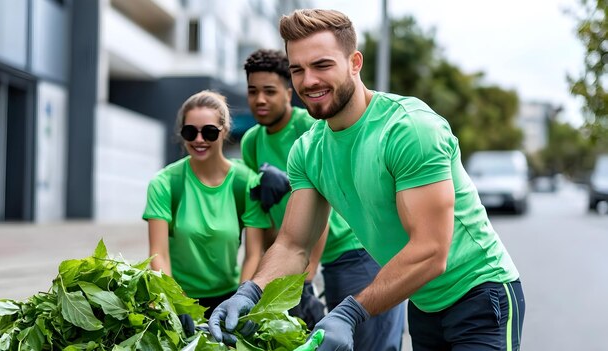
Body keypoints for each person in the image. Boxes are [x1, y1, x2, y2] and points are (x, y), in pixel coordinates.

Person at [209, 9, 526, 351]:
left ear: (355, 62)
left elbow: (432, 251)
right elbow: (293, 244)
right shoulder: (308, 150)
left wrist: (349, 312)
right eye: (297, 69)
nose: (308, 80)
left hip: (481, 293)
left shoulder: (409, 129)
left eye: (322, 65)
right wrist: (250, 292)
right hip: (424, 304)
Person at [241, 48, 405, 349]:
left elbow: (321, 204)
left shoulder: (311, 127)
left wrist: (306, 276)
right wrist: (260, 283)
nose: (260, 100)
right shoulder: (251, 142)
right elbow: (264, 215)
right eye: (252, 91)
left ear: (288, 91)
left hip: (355, 251)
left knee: (369, 343)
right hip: (305, 257)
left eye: (269, 91)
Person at [142, 90, 271, 316]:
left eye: (210, 132)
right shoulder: (164, 183)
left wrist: (242, 300)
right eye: (190, 132)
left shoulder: (246, 182)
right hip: (179, 296)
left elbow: (253, 254)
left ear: (225, 131)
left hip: (230, 297)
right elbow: (158, 254)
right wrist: (177, 304)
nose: (199, 140)